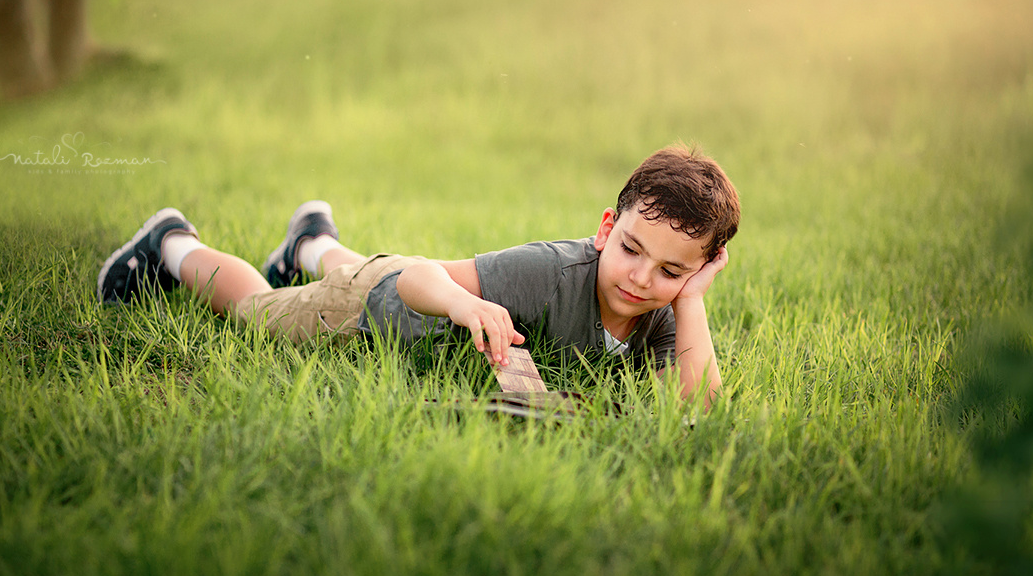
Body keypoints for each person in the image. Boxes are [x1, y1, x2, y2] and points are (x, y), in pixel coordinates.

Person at [97, 145, 740, 408]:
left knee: (350, 268)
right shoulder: (551, 272)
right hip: (374, 309)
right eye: (630, 249)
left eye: (671, 271)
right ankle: (172, 244)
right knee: (258, 311)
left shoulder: (666, 313)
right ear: (606, 228)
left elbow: (697, 407)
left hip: (392, 299)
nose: (640, 278)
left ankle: (311, 242)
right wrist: (465, 308)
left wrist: (691, 303)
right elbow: (419, 275)